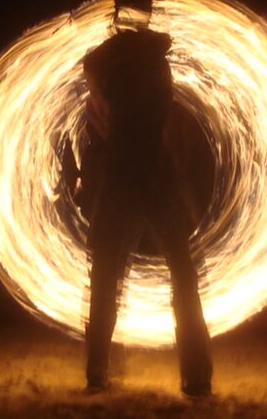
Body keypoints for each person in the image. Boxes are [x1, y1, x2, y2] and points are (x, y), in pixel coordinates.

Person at [75, 28, 213, 397]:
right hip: (152, 173)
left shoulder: (118, 64)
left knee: (109, 272)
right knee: (178, 272)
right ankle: (196, 375)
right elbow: (154, 113)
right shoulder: (153, 61)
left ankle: (99, 370)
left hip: (130, 175)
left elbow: (109, 102)